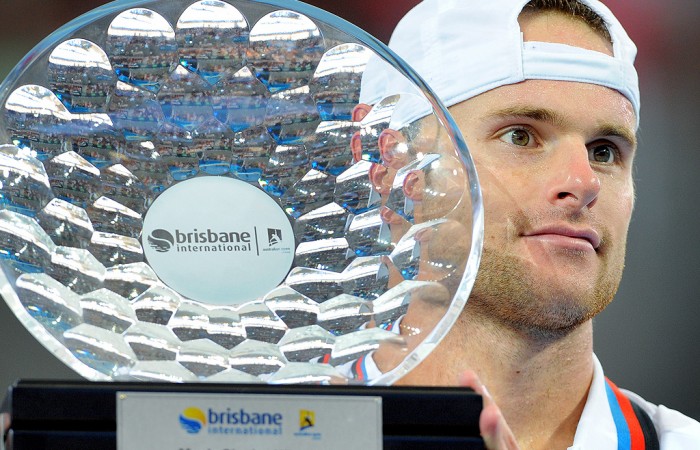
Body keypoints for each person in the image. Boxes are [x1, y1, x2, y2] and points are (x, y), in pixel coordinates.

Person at [357, 0, 700, 449]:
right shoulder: (250, 433)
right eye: (520, 135)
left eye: (604, 150)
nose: (584, 181)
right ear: (393, 169)